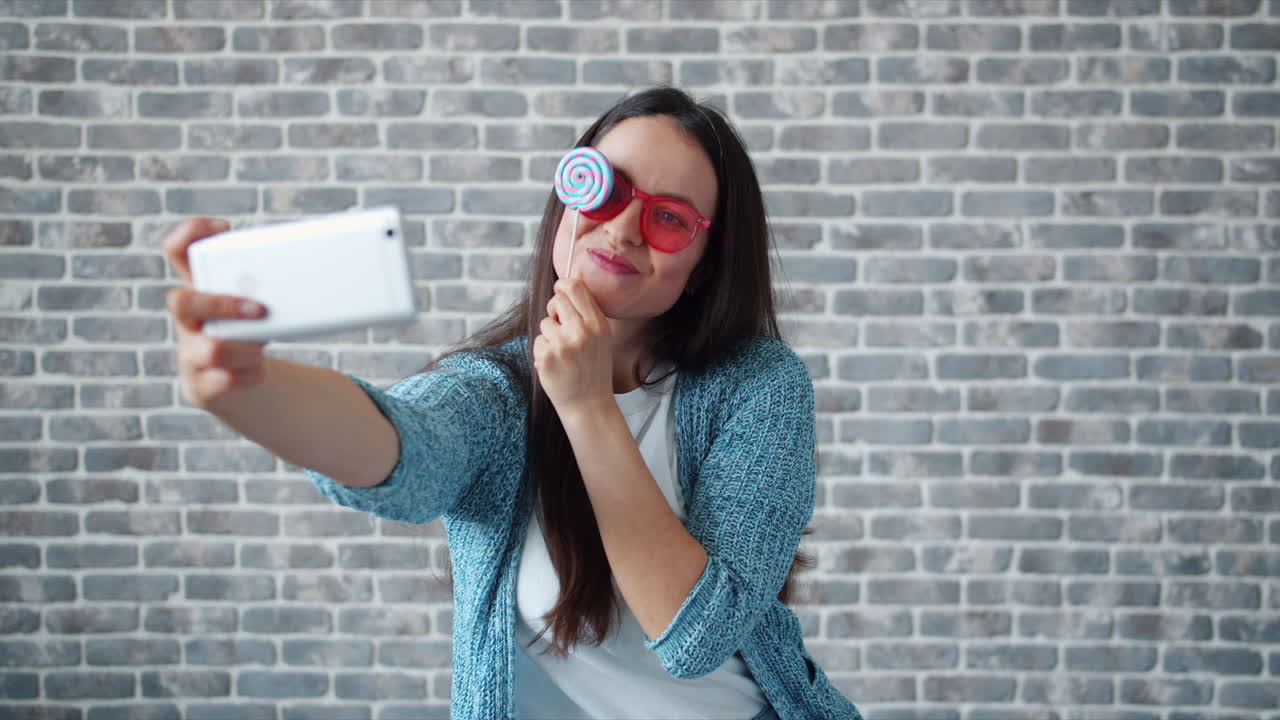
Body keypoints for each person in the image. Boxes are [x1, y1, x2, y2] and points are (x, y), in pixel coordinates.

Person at [163, 87, 862, 720]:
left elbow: (695, 637)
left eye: (668, 220)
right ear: (567, 197)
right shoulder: (495, 392)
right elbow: (405, 450)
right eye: (604, 190)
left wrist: (588, 405)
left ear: (704, 263)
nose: (620, 230)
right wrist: (253, 387)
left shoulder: (760, 389)